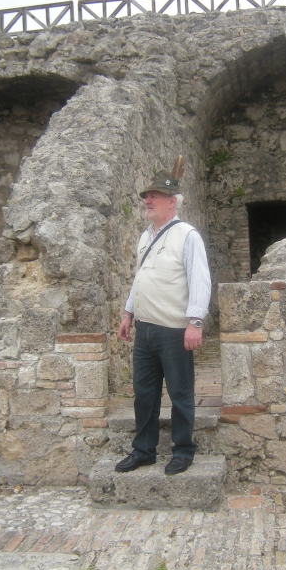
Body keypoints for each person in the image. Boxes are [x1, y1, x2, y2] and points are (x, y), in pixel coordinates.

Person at [116, 167, 211, 475]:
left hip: (174, 331)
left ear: (172, 202)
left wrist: (195, 322)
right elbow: (140, 278)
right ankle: (143, 450)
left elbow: (200, 280)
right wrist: (128, 313)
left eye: (154, 196)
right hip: (144, 329)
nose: (147, 201)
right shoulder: (146, 236)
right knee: (144, 394)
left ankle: (183, 450)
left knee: (180, 394)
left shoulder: (188, 235)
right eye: (146, 196)